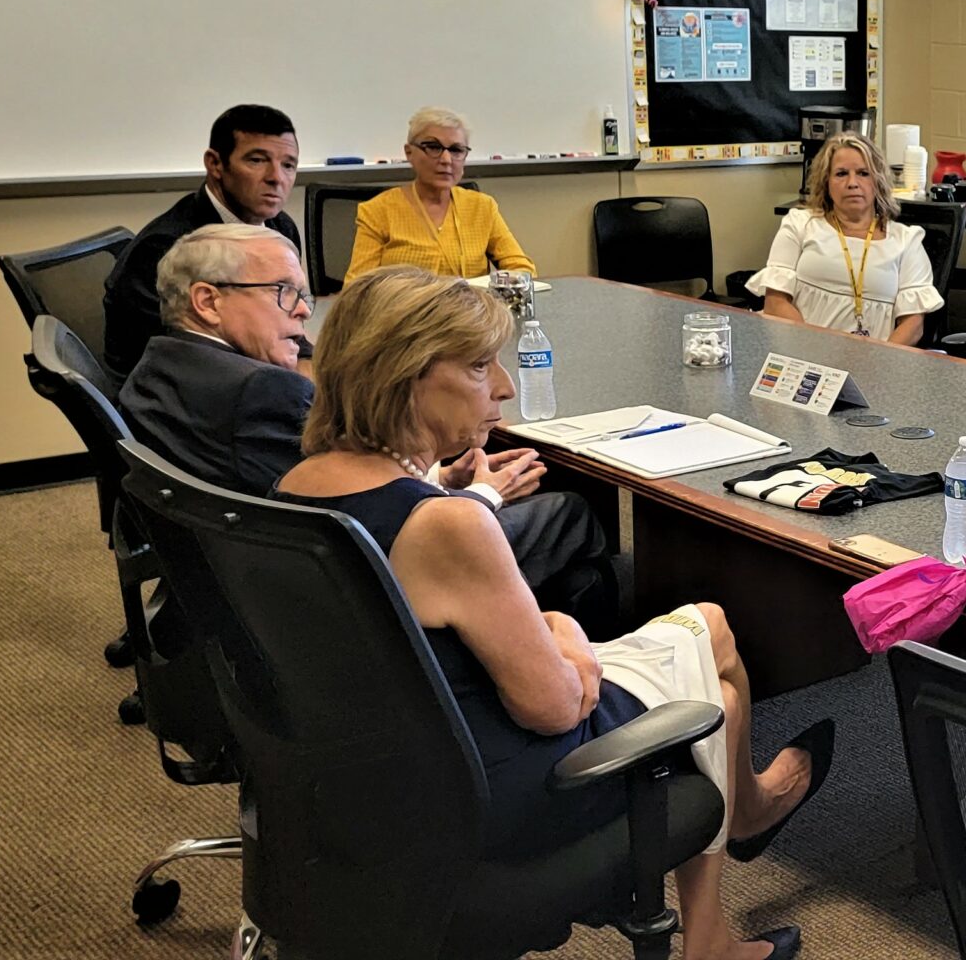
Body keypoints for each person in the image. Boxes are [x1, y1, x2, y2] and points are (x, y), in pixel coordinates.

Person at [274, 266, 830, 960]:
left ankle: (739, 840)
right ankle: (723, 897)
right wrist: (563, 632)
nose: (504, 387)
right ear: (404, 375)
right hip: (496, 790)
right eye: (480, 367)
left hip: (371, 773)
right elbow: (557, 709)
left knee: (705, 637)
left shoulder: (297, 487)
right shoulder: (445, 528)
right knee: (709, 675)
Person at [120, 225, 622, 636]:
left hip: (233, 584)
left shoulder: (157, 364)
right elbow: (351, 517)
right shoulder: (262, 391)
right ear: (207, 300)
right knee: (570, 511)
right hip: (352, 604)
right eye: (284, 293)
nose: (303, 309)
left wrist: (436, 478)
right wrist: (480, 498)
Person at [102, 104, 307, 376]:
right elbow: (179, 362)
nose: (276, 178)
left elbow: (286, 324)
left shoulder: (280, 227)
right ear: (215, 164)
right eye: (257, 160)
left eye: (288, 165)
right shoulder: (165, 249)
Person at [748, 133, 942, 344]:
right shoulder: (799, 224)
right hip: (803, 353)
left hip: (874, 364)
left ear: (878, 181)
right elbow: (775, 303)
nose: (852, 183)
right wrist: (815, 351)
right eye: (841, 174)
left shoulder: (906, 241)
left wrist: (881, 361)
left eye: (863, 173)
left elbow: (913, 325)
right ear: (826, 182)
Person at [345, 106, 538, 281]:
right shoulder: (377, 211)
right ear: (409, 152)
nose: (446, 159)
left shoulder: (482, 207)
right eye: (433, 147)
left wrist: (509, 283)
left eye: (456, 150)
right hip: (405, 316)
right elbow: (356, 288)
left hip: (469, 315)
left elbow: (521, 267)